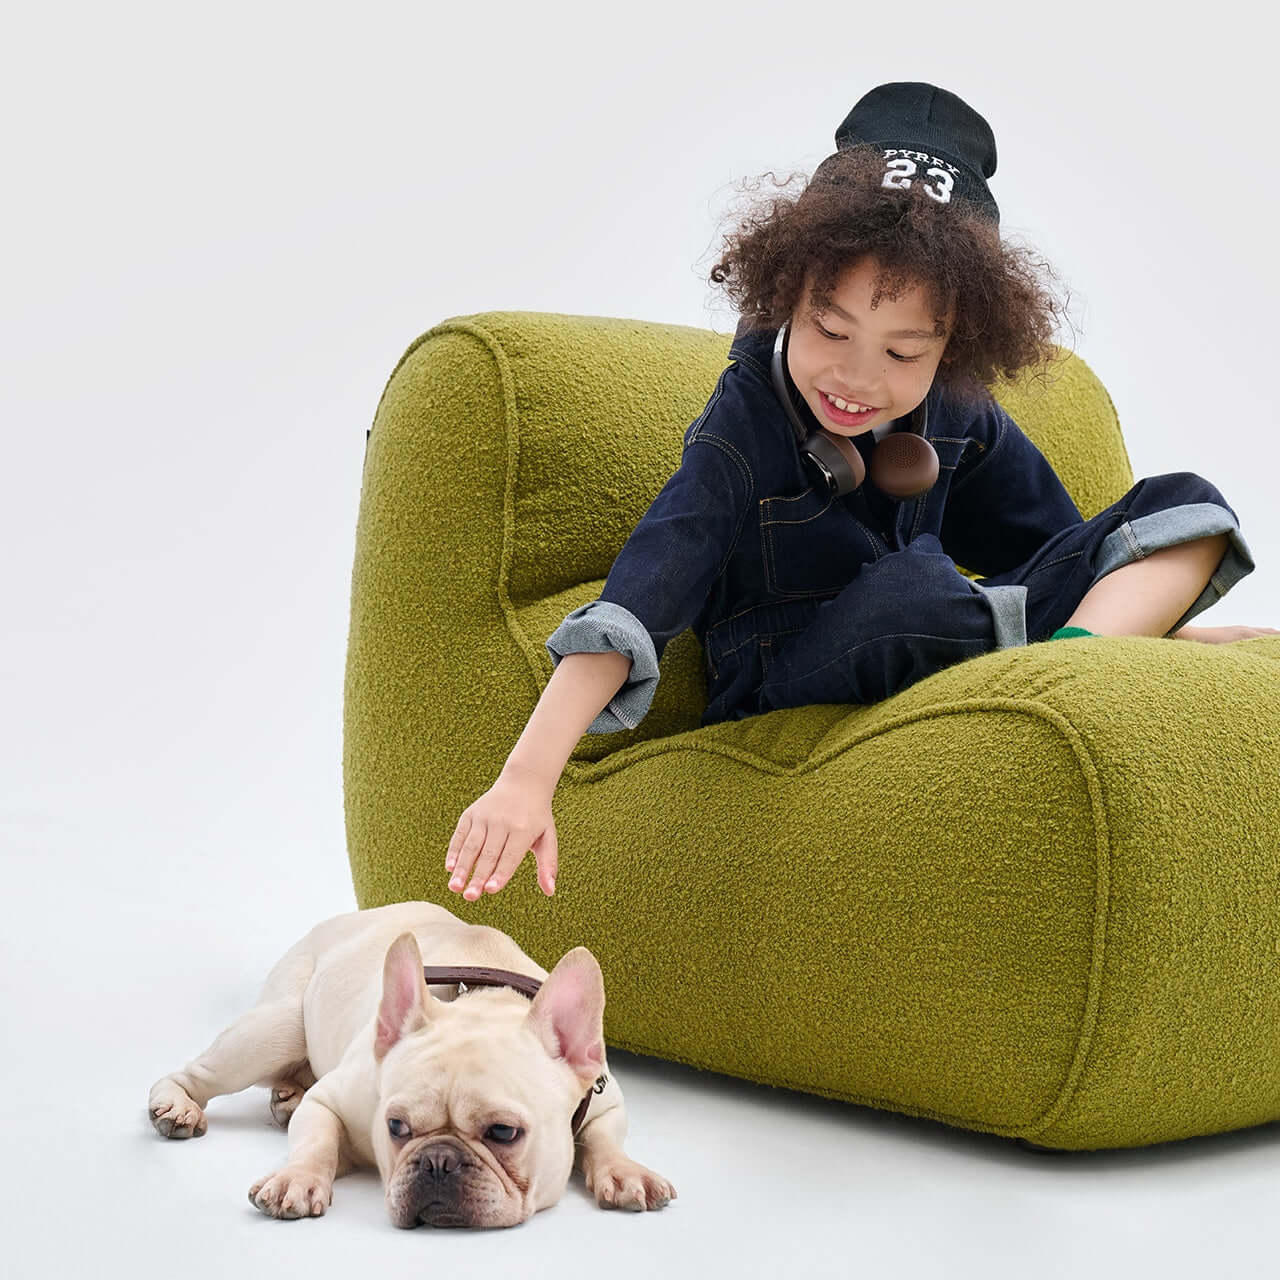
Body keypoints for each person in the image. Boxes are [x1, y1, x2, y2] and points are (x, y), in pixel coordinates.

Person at [444, 81, 1277, 904]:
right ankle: (1061, 668)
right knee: (917, 587)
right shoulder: (743, 424)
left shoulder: (958, 411)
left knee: (1183, 503)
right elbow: (644, 591)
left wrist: (1130, 623)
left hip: (945, 631)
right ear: (784, 294)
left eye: (905, 353)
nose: (855, 377)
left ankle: (1075, 672)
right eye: (831, 330)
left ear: (955, 344)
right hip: (791, 674)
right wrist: (526, 779)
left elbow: (1067, 550)